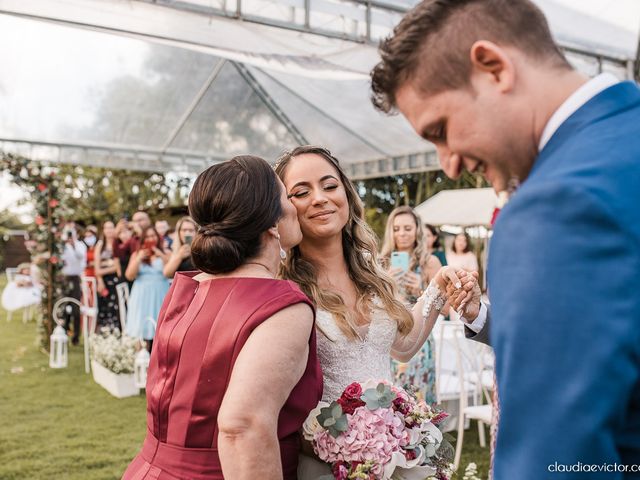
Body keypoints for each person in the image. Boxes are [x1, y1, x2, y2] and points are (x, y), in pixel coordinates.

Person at [370, 0, 640, 477]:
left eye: (441, 130)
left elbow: (560, 460)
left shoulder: (554, 206)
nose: (448, 163)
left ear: (493, 67)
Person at [274, 145, 471, 477]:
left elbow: (404, 347)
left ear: (347, 195)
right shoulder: (286, 290)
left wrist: (437, 288)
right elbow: (278, 404)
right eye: (301, 192)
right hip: (326, 464)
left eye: (330, 185)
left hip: (393, 453)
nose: (320, 198)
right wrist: (345, 447)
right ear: (285, 210)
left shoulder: (373, 276)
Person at [122, 155, 322, 480]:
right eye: (288, 197)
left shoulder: (187, 286)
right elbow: (242, 427)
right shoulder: (281, 304)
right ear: (272, 224)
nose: (297, 207)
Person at [380, 206, 441, 404]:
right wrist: (385, 283)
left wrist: (420, 290)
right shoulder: (382, 263)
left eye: (407, 228)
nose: (402, 234)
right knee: (392, 400)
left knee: (418, 401)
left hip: (420, 340)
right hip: (391, 337)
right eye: (396, 229)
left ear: (417, 230)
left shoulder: (430, 262)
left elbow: (446, 309)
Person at [124, 227, 170, 351]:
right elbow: (129, 275)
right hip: (142, 294)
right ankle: (140, 361)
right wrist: (139, 258)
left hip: (160, 293)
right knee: (141, 327)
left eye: (153, 236)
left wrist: (160, 254)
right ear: (143, 239)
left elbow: (171, 272)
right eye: (148, 237)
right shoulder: (136, 254)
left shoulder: (166, 253)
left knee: (160, 329)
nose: (151, 239)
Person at [60, 222, 86, 345]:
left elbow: (81, 259)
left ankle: (76, 337)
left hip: (75, 279)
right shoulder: (61, 246)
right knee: (63, 308)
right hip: (64, 279)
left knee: (76, 309)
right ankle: (63, 333)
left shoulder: (80, 245)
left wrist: (73, 245)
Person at [94, 220, 122, 330]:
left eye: (111, 227)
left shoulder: (118, 243)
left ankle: (116, 330)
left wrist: (104, 269)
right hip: (103, 282)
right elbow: (97, 267)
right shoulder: (100, 245)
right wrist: (100, 281)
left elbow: (118, 267)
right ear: (103, 230)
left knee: (115, 307)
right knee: (103, 307)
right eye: (106, 228)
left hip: (116, 280)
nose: (109, 230)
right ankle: (103, 331)